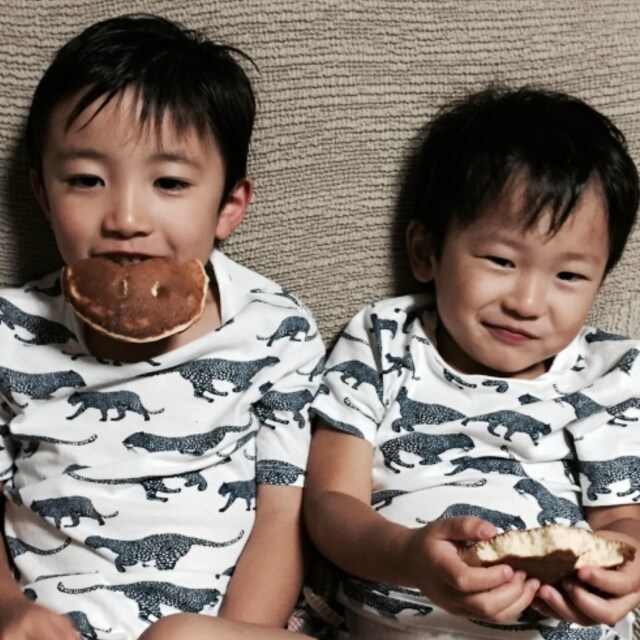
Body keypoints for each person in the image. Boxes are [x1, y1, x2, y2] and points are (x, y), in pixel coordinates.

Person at [0, 14, 324, 640]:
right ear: (42, 194)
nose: (126, 217)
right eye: (85, 180)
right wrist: (8, 609)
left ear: (228, 206)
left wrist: (224, 635)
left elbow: (281, 517)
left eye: (170, 182)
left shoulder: (273, 330)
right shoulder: (9, 332)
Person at [303, 86, 640, 639]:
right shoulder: (385, 340)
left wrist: (624, 565)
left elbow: (623, 518)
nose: (527, 303)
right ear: (425, 252)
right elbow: (330, 503)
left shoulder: (610, 371)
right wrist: (409, 556)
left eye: (569, 275)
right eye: (501, 261)